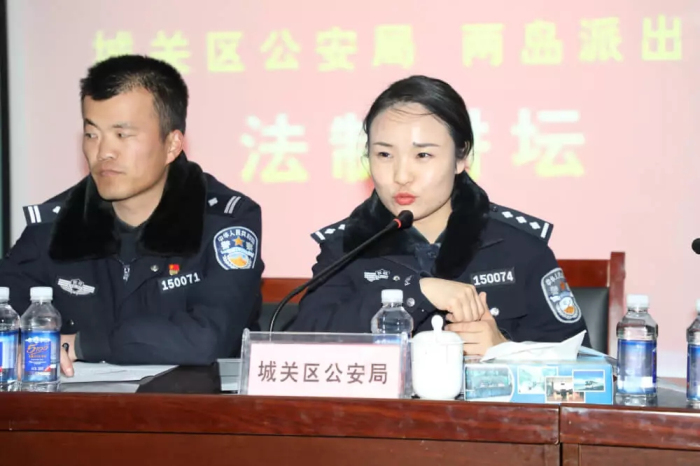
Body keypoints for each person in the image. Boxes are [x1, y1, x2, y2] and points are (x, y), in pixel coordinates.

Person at [0, 55, 264, 374]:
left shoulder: (224, 220)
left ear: (172, 145)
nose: (103, 152)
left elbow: (207, 338)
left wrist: (82, 345)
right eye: (92, 134)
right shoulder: (56, 225)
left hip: (194, 403)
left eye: (122, 135)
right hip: (74, 405)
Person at [290, 75, 589, 355]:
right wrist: (417, 293)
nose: (401, 175)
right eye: (384, 155)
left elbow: (583, 368)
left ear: (461, 157)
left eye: (423, 155)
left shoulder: (519, 247)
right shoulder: (347, 247)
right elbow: (298, 347)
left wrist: (505, 350)